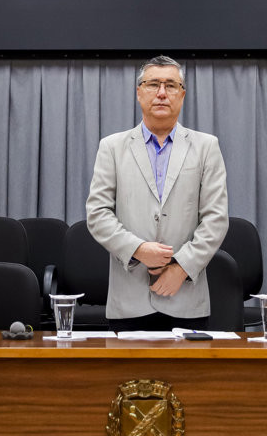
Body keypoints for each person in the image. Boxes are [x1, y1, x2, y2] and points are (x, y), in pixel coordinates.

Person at [86, 56, 229, 332]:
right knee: (127, 378)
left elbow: (216, 219)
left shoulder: (206, 147)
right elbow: (97, 214)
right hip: (128, 300)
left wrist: (181, 268)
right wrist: (138, 250)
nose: (162, 93)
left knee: (186, 377)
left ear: (182, 94)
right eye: (153, 84)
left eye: (171, 86)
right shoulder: (112, 147)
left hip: (186, 298)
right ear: (139, 92)